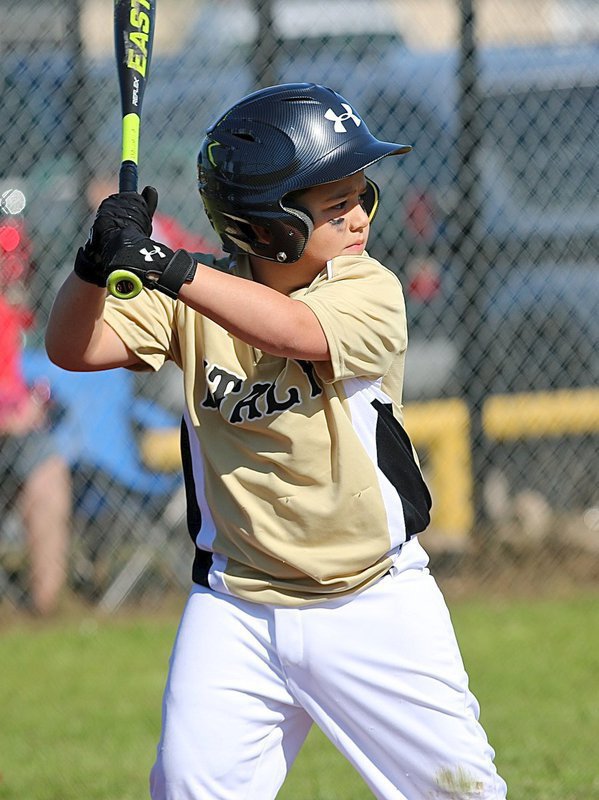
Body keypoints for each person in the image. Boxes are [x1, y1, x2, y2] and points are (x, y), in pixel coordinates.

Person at [46, 83, 507, 799]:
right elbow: (73, 347)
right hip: (236, 607)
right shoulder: (192, 298)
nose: (359, 217)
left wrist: (168, 265)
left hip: (370, 600)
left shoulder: (368, 287)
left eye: (362, 196)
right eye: (334, 206)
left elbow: (295, 332)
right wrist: (93, 264)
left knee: (457, 791)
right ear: (267, 228)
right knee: (188, 789)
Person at [0, 293, 71, 617]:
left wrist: (26, 406)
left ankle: (46, 610)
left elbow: (11, 385)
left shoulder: (8, 314)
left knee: (49, 471)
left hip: (12, 438)